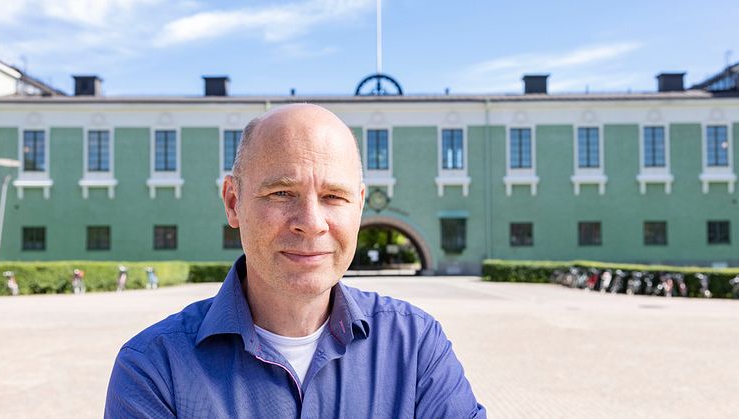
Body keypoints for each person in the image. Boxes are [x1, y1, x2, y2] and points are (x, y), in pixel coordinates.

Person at [105, 104, 485, 418]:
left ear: (360, 205)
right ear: (233, 202)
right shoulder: (155, 369)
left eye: (334, 196)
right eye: (282, 192)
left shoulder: (416, 348)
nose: (311, 223)